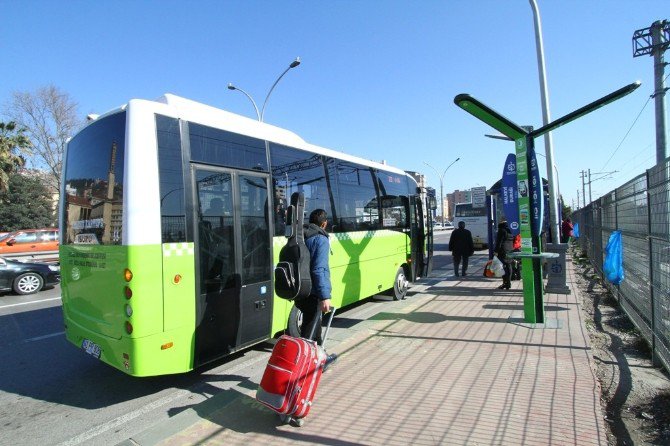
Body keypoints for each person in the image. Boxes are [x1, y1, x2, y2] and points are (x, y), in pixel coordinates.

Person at [296, 209, 332, 345]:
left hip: (301, 289)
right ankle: (304, 362)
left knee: (314, 330)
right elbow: (319, 270)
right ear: (324, 224)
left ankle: (319, 355)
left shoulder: (302, 236)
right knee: (309, 334)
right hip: (313, 292)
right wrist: (324, 296)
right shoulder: (321, 239)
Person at [494, 220, 513, 289]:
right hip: (510, 250)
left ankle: (506, 283)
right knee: (509, 266)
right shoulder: (510, 230)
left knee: (503, 267)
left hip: (502, 251)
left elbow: (499, 242)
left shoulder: (501, 230)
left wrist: (496, 251)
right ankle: (508, 283)